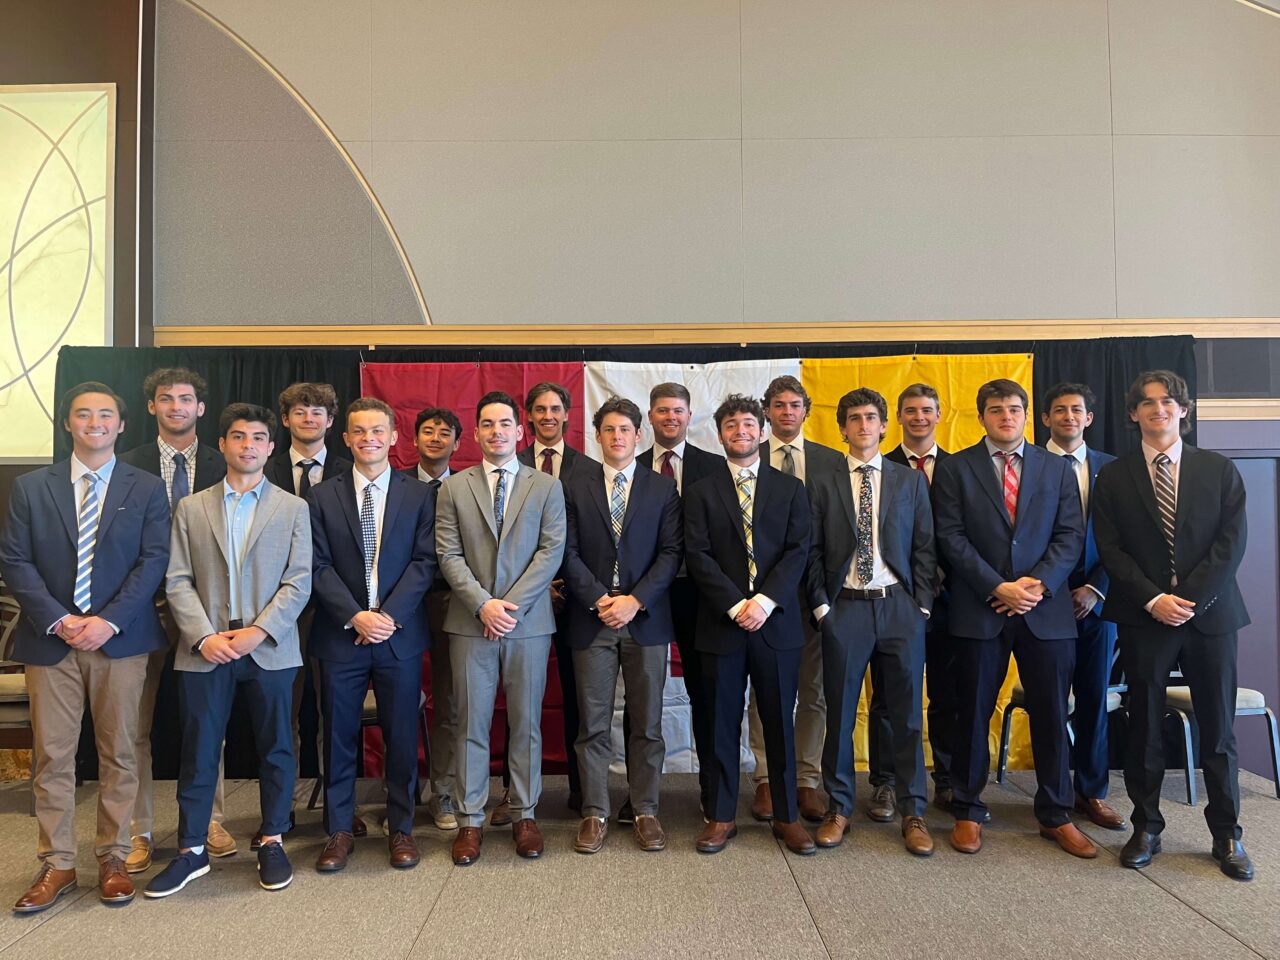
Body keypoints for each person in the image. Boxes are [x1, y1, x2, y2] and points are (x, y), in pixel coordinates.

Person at [1, 382, 169, 912]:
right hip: (51, 642)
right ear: (68, 423)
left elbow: (154, 561)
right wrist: (60, 619)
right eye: (83, 414)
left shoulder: (146, 488)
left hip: (120, 642)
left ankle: (115, 856)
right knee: (52, 756)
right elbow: (15, 560)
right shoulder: (32, 487)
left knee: (119, 752)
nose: (94, 422)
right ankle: (58, 863)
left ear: (121, 425)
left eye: (105, 414)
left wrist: (108, 621)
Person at [146, 403, 311, 897]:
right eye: (238, 437)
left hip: (270, 648)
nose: (248, 446)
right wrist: (204, 636)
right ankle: (192, 850)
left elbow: (299, 581)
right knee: (198, 750)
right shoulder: (191, 508)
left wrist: (259, 631)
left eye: (258, 438)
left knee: (277, 748)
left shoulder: (292, 507)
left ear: (270, 446)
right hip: (206, 648)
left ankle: (273, 838)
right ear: (222, 445)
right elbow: (176, 580)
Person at [1093, 370, 1253, 880]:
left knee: (1219, 731)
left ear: (1183, 410)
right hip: (1145, 620)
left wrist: (1185, 598)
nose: (1157, 409)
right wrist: (1154, 599)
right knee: (1143, 728)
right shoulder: (1114, 477)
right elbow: (1111, 549)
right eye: (1146, 403)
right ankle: (1147, 826)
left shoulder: (1219, 469)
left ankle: (1226, 833)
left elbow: (1231, 544)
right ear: (1133, 413)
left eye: (1167, 402)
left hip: (1211, 617)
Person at [932, 379, 1092, 858]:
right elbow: (950, 537)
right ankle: (967, 808)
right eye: (996, 409)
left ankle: (1056, 813)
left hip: (1046, 611)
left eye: (1015, 409)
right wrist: (996, 586)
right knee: (972, 713)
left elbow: (1070, 535)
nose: (1006, 416)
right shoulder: (955, 468)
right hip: (980, 608)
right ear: (981, 416)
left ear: (1028, 416)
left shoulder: (1056, 469)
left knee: (1050, 712)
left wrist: (1035, 585)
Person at [435, 391, 566, 865]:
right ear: (475, 433)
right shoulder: (454, 487)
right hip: (470, 625)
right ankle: (470, 821)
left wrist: (506, 606)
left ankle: (524, 813)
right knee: (470, 721)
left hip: (528, 624)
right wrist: (482, 605)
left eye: (505, 423)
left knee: (525, 722)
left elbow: (551, 552)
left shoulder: (546, 487)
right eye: (487, 424)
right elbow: (447, 554)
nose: (497, 431)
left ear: (520, 431)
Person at [806, 388, 936, 856]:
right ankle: (838, 807)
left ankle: (913, 810)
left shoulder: (908, 482)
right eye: (854, 419)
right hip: (845, 610)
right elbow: (813, 551)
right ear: (842, 428)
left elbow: (925, 548)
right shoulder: (822, 481)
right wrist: (823, 607)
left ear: (885, 426)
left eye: (871, 418)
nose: (863, 426)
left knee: (905, 717)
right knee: (839, 714)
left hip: (900, 608)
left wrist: (920, 607)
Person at [308, 398, 437, 872]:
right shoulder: (321, 496)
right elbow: (316, 566)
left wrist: (386, 617)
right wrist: (356, 616)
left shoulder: (419, 495)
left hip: (398, 636)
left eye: (377, 431)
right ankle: (339, 829)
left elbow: (426, 563)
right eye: (358, 432)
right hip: (341, 636)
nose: (368, 439)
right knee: (338, 736)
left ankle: (402, 828)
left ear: (393, 436)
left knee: (402, 737)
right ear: (346, 439)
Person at [684, 394, 814, 856]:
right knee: (720, 722)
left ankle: (786, 816)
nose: (740, 431)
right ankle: (720, 816)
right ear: (720, 434)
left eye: (748, 424)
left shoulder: (790, 488)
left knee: (779, 722)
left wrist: (762, 601)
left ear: (761, 431)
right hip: (722, 624)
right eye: (731, 425)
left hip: (775, 623)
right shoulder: (700, 491)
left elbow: (799, 551)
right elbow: (696, 555)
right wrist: (736, 604)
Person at [119, 367, 233, 868]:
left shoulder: (225, 461)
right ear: (151, 408)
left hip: (204, 611)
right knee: (132, 726)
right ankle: (137, 829)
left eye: (185, 399)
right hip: (139, 610)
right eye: (165, 399)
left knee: (206, 722)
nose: (175, 407)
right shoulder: (125, 465)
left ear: (200, 408)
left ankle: (208, 818)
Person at [561, 396, 682, 853]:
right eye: (608, 430)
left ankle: (646, 809)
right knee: (592, 725)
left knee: (647, 723)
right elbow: (566, 553)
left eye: (625, 430)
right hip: (591, 620)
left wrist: (634, 600)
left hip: (645, 621)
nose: (617, 437)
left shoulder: (661, 488)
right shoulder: (574, 484)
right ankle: (595, 812)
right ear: (597, 436)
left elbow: (672, 553)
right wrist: (598, 599)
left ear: (638, 435)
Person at [748, 375, 844, 822]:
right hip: (763, 598)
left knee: (814, 692)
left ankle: (805, 780)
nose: (787, 412)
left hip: (816, 597)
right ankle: (767, 777)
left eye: (795, 405)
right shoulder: (747, 455)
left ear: (806, 410)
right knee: (763, 693)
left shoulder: (831, 462)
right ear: (766, 411)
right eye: (778, 405)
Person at [261, 381, 353, 841]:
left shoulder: (349, 469)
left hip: (334, 610)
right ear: (285, 419)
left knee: (334, 713)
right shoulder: (264, 466)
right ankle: (282, 810)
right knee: (285, 713)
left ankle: (339, 808)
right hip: (279, 612)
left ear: (332, 422)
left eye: (319, 411)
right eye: (301, 410)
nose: (310, 418)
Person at [500, 381, 590, 821]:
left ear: (568, 414)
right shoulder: (506, 464)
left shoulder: (588, 468)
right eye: (539, 409)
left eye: (556, 408)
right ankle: (510, 792)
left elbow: (589, 539)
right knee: (513, 697)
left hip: (575, 599)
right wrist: (535, 589)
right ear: (528, 418)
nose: (548, 415)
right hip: (517, 603)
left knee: (577, 696)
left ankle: (581, 789)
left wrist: (566, 585)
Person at [635, 382, 724, 820]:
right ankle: (639, 798)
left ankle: (712, 792)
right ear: (649, 417)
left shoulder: (714, 467)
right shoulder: (627, 467)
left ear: (690, 417)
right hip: (646, 595)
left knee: (706, 693)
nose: (670, 417)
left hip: (699, 595)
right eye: (662, 411)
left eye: (678, 411)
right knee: (641, 695)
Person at [868, 383, 955, 819]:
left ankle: (946, 777)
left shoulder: (960, 467)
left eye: (927, 409)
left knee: (945, 691)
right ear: (896, 419)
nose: (919, 417)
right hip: (897, 602)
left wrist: (934, 590)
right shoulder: (878, 466)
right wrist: (918, 597)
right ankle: (884, 781)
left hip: (954, 598)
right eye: (910, 410)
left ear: (939, 415)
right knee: (889, 696)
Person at [1040, 382, 1123, 831]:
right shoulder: (1028, 465)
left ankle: (1091, 791)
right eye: (1059, 410)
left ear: (1089, 418)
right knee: (1049, 702)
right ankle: (1052, 792)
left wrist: (1096, 589)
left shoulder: (1113, 471)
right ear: (1046, 419)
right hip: (1044, 600)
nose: (1068, 416)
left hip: (1098, 602)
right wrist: (1047, 586)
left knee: (1094, 698)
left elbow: (1123, 540)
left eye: (1077, 410)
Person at [403, 406, 464, 829]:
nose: (436, 438)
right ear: (414, 439)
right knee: (401, 700)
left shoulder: (466, 486)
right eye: (428, 431)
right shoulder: (395, 483)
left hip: (450, 600)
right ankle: (400, 792)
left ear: (458, 443)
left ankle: (442, 790)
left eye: (445, 433)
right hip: (400, 604)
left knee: (449, 701)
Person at [263, 382, 353, 496]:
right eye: (300, 413)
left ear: (329, 420)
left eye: (316, 413)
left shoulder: (350, 472)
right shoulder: (264, 471)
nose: (308, 419)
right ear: (285, 419)